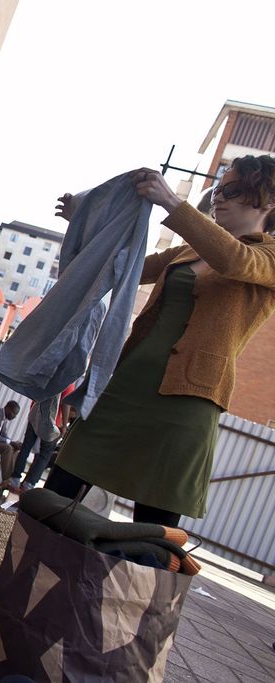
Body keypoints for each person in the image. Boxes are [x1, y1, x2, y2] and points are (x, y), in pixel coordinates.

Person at [46, 157, 275, 526]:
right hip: (125, 385)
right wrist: (86, 220)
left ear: (268, 202)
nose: (219, 198)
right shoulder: (188, 251)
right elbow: (125, 265)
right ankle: (19, 578)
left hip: (186, 404)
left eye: (231, 190)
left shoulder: (268, 257)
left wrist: (172, 201)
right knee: (56, 492)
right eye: (218, 190)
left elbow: (234, 260)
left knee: (153, 531)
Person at [7, 383, 76, 493]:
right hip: (54, 423)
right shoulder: (69, 380)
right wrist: (64, 424)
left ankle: (14, 480)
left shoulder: (49, 370)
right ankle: (28, 485)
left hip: (35, 415)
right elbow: (66, 402)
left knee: (26, 448)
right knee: (45, 455)